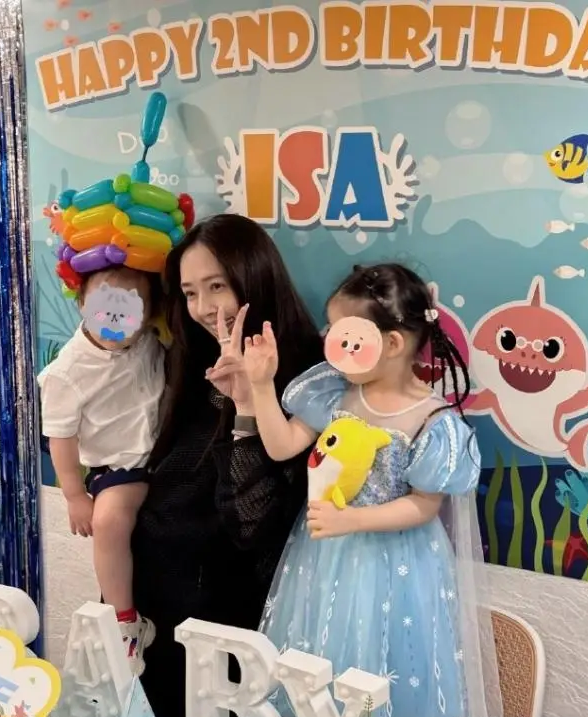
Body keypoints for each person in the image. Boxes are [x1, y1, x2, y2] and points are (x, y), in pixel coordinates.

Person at [242, 263, 502, 717]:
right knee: (322, 659)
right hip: (325, 557)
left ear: (393, 343)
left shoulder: (432, 419)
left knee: (387, 666)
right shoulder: (334, 393)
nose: (333, 347)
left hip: (400, 565)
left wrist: (352, 519)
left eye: (346, 337)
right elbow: (282, 446)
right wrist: (261, 384)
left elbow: (424, 505)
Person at [131, 214, 324, 717]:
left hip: (228, 624)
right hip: (158, 605)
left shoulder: (306, 377)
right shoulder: (192, 359)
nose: (202, 308)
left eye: (216, 286)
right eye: (190, 293)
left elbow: (251, 526)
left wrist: (246, 406)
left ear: (254, 275)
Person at [38, 266, 165, 674]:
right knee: (109, 521)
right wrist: (75, 494)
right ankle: (125, 621)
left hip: (163, 452)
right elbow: (61, 437)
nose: (115, 320)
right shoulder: (67, 371)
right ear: (81, 304)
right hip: (118, 467)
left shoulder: (148, 341)